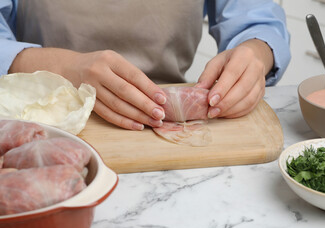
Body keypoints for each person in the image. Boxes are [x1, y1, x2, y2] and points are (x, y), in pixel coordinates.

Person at [0, 0, 291, 131]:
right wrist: (62, 68)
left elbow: (257, 18)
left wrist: (256, 50)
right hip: (42, 119)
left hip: (169, 116)